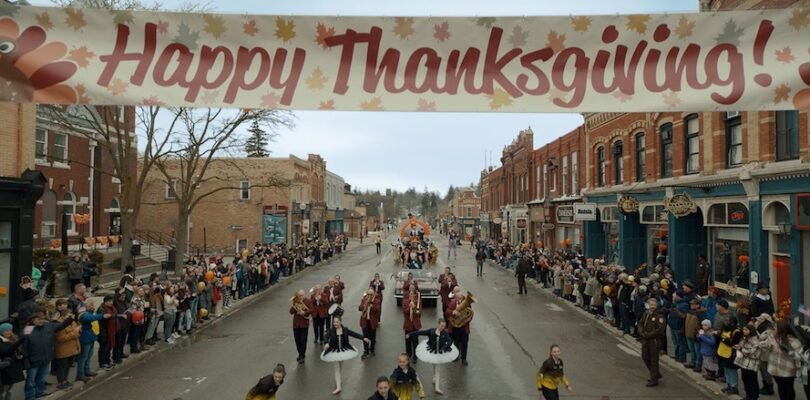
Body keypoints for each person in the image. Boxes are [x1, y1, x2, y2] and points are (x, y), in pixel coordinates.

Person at [22, 311, 74, 400]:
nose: (41, 321)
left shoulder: (49, 326)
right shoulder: (28, 329)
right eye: (38, 319)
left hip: (46, 358)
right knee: (30, 381)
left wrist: (70, 318)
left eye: (42, 319)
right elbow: (24, 346)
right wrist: (26, 359)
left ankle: (40, 393)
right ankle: (30, 397)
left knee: (42, 378)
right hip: (33, 360)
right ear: (33, 320)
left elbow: (61, 326)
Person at [408, 318, 458, 395]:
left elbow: (450, 341)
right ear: (438, 325)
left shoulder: (444, 333)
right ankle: (434, 378)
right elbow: (420, 332)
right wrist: (410, 334)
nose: (442, 327)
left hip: (440, 353)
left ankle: (437, 387)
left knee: (438, 368)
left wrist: (444, 347)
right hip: (432, 351)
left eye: (444, 326)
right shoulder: (431, 331)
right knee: (435, 364)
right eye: (441, 326)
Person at [321, 315, 369, 395]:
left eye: (337, 322)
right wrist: (326, 343)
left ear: (340, 322)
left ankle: (338, 379)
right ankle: (338, 387)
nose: (335, 324)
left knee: (340, 367)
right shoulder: (331, 330)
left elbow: (354, 334)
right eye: (334, 322)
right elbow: (326, 337)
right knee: (336, 369)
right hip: (334, 352)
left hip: (343, 351)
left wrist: (363, 338)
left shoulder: (345, 330)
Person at [766, 319, 803, 400]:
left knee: (788, 391)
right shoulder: (774, 338)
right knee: (781, 389)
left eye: (775, 328)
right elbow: (765, 348)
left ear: (781, 329)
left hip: (787, 371)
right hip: (775, 370)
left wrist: (787, 351)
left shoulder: (793, 341)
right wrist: (769, 339)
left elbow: (800, 357)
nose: (773, 329)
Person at [76, 300, 108, 383]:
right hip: (85, 337)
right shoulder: (83, 314)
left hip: (90, 337)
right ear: (85, 306)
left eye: (93, 305)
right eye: (91, 305)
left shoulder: (89, 313)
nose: (92, 306)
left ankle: (87, 371)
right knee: (83, 357)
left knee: (88, 356)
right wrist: (103, 315)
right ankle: (80, 374)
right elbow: (90, 318)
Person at [52, 298, 81, 390]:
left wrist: (78, 330)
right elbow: (61, 338)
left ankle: (65, 380)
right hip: (63, 348)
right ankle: (61, 382)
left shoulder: (71, 320)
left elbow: (77, 328)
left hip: (72, 347)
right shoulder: (57, 321)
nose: (68, 314)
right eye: (66, 312)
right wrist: (74, 333)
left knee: (68, 366)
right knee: (62, 367)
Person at [639, 297, 665, 387]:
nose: (652, 306)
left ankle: (654, 379)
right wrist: (641, 332)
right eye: (651, 305)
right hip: (645, 340)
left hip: (654, 341)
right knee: (645, 357)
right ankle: (656, 373)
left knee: (654, 360)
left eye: (654, 305)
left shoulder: (659, 316)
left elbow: (659, 330)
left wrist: (648, 335)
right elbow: (641, 323)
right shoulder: (646, 313)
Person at [734, 323, 762, 400]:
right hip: (744, 363)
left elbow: (755, 354)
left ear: (751, 330)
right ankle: (748, 395)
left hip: (752, 364)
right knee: (745, 379)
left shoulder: (756, 340)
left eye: (746, 330)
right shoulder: (744, 338)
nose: (744, 331)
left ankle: (754, 396)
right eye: (743, 329)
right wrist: (738, 347)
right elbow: (742, 346)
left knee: (752, 381)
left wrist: (742, 350)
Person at [0, 322, 25, 400]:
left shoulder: (13, 339)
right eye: (6, 331)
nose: (8, 332)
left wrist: (20, 355)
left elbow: (18, 350)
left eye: (10, 330)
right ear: (1, 332)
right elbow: (5, 352)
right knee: (4, 387)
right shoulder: (1, 340)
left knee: (11, 386)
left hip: (13, 366)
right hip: (4, 367)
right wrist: (17, 343)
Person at [717, 317, 742, 395]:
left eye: (727, 321)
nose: (725, 322)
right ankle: (729, 385)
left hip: (731, 355)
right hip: (723, 353)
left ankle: (734, 387)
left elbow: (733, 343)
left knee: (732, 371)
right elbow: (720, 337)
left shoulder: (737, 331)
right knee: (726, 370)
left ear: (732, 323)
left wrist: (724, 340)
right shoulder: (725, 329)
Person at [290, 290, 312, 364]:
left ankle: (302, 355)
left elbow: (311, 310)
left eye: (302, 295)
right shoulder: (295, 301)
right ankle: (300, 353)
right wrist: (294, 305)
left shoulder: (308, 301)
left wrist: (304, 312)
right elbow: (291, 312)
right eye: (299, 295)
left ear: (304, 295)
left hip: (304, 324)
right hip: (296, 324)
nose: (300, 297)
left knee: (303, 340)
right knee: (297, 340)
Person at [359, 287, 381, 359]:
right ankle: (366, 351)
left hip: (372, 321)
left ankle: (372, 349)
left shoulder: (377, 301)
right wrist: (365, 304)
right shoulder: (364, 299)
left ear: (374, 294)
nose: (369, 296)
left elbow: (377, 309)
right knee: (365, 337)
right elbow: (359, 308)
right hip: (365, 321)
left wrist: (372, 305)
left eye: (371, 294)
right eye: (368, 294)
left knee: (373, 337)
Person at [402, 289, 422, 364]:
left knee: (415, 341)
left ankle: (415, 356)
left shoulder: (418, 302)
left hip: (415, 325)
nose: (411, 296)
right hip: (408, 324)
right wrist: (409, 307)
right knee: (407, 341)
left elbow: (418, 312)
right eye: (410, 294)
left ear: (414, 295)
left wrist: (413, 308)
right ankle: (408, 355)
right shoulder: (405, 302)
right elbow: (405, 311)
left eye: (413, 295)